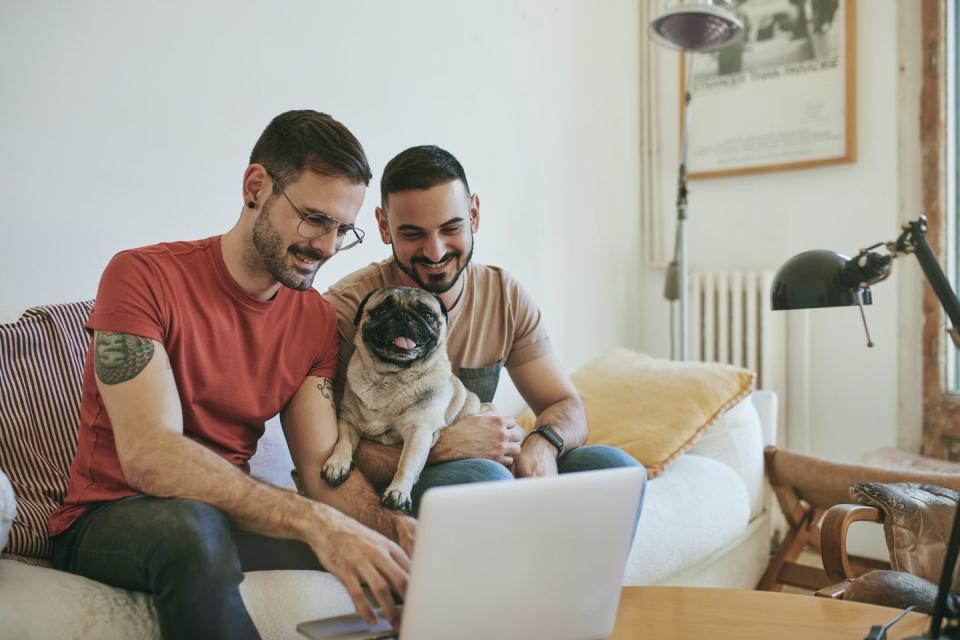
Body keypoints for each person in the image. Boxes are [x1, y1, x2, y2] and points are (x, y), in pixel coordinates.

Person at [47, 110, 413, 639]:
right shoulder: (141, 276)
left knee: (380, 560)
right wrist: (316, 522)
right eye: (314, 219)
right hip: (111, 516)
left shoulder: (312, 319)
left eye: (343, 230)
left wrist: (390, 531)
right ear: (255, 187)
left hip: (224, 517)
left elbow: (319, 469)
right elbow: (151, 456)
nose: (328, 248)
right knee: (194, 528)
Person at [323, 145, 643, 512]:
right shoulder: (349, 309)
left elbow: (563, 403)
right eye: (413, 234)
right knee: (485, 480)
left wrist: (542, 446)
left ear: (473, 214)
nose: (435, 251)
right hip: (413, 479)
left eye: (451, 228)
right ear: (384, 227)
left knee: (616, 472)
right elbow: (321, 448)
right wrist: (446, 446)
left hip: (493, 461)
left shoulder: (503, 295)